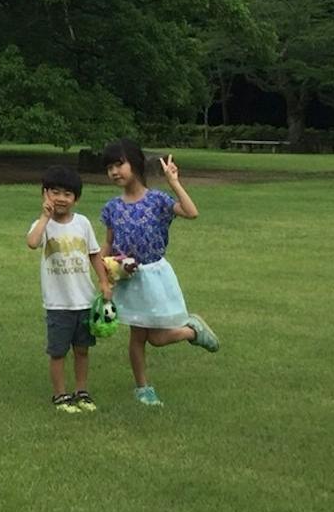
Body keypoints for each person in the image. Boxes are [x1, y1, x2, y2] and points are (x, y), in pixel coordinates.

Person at [99, 139, 218, 407]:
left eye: (119, 164)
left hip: (154, 276)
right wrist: (104, 273)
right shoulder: (112, 207)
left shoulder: (157, 200)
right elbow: (108, 242)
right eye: (109, 167)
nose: (114, 172)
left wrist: (173, 182)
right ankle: (143, 388)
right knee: (137, 336)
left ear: (136, 164)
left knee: (156, 337)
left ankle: (192, 330)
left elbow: (191, 212)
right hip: (127, 278)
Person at [26, 164, 112, 413]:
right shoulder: (42, 225)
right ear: (45, 194)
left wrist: (104, 282)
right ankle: (60, 395)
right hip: (58, 304)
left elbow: (94, 254)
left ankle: (81, 391)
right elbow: (32, 243)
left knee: (82, 350)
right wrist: (45, 216)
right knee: (58, 352)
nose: (61, 199)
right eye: (55, 192)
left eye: (67, 194)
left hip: (84, 301)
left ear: (76, 198)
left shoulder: (83, 223)